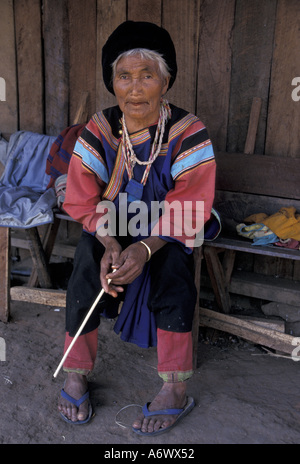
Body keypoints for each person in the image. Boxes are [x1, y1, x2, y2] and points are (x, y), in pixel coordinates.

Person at [58, 20, 216, 436]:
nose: (135, 88)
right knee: (85, 268)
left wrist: (146, 248)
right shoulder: (100, 127)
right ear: (113, 82)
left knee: (175, 274)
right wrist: (109, 241)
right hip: (112, 225)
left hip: (165, 232)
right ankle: (75, 373)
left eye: (148, 76)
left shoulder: (188, 131)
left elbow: (193, 201)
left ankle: (175, 389)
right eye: (124, 76)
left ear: (166, 81)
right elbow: (79, 195)